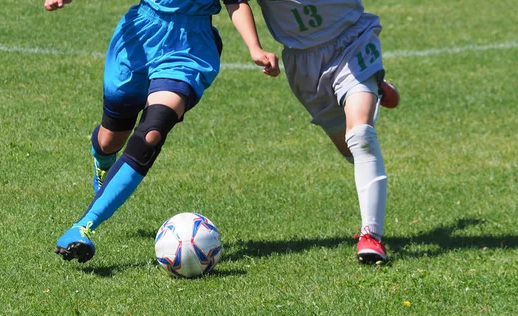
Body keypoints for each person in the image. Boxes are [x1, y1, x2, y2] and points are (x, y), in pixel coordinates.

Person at [44, 0, 280, 263]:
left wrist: (254, 47)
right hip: (141, 37)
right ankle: (103, 160)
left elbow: (235, 1)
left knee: (151, 133)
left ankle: (83, 227)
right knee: (110, 139)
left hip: (190, 46)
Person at [225, 0, 400, 263]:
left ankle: (371, 237)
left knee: (361, 136)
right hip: (304, 62)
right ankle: (371, 85)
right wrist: (254, 47)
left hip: (352, 40)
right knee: (349, 149)